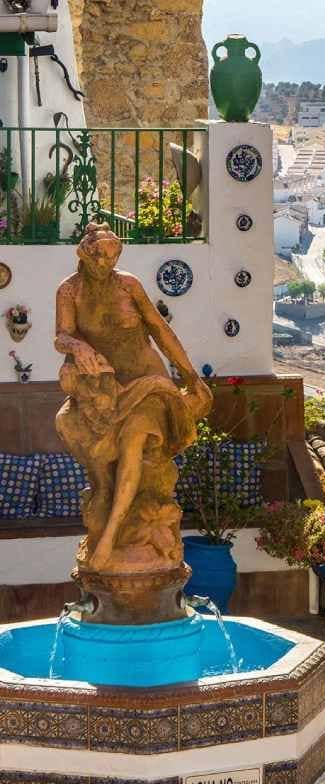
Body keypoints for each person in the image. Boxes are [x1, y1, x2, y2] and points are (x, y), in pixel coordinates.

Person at [55, 223, 212, 571]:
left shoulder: (129, 285)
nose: (107, 263)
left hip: (149, 383)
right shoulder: (69, 291)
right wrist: (78, 346)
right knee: (69, 424)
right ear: (84, 254)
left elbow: (160, 329)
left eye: (113, 256)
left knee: (134, 441)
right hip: (106, 388)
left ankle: (110, 537)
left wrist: (189, 375)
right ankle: (108, 502)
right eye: (100, 256)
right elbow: (61, 337)